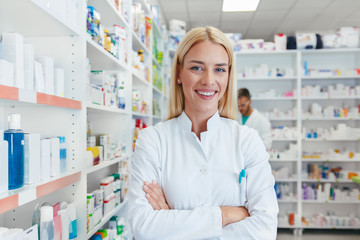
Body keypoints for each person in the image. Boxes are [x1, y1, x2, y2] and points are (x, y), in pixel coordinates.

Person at [128, 26, 278, 240]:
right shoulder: (153, 140)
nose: (208, 80)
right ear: (179, 73)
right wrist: (226, 214)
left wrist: (171, 220)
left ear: (228, 76)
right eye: (197, 68)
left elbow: (264, 230)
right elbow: (143, 226)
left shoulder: (246, 140)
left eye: (219, 69)